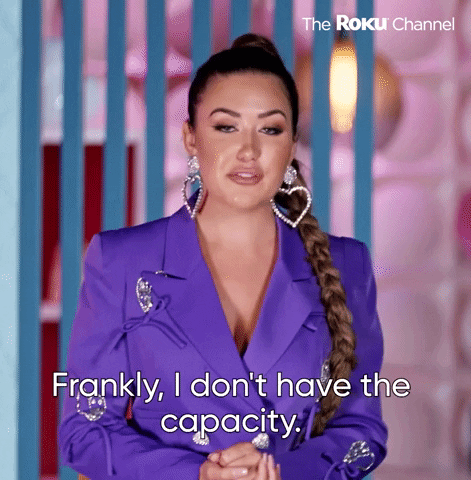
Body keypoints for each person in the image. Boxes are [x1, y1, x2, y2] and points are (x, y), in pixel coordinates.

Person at [59, 33, 387, 480]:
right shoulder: (121, 260)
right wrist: (197, 474)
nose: (248, 150)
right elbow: (85, 429)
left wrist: (279, 471)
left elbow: (363, 434)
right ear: (191, 138)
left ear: (292, 144)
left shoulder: (347, 265)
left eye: (270, 129)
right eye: (226, 127)